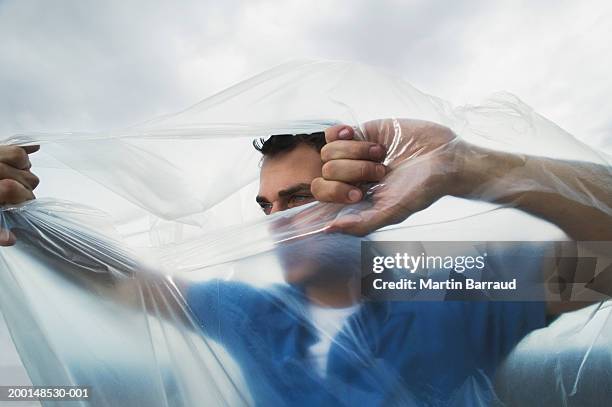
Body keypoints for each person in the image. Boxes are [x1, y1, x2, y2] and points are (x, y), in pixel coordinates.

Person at [1, 119, 611, 405]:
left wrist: (469, 167)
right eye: (266, 207)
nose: (277, 225)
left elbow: (604, 263)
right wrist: (20, 215)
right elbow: (120, 282)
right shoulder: (250, 314)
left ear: (371, 196)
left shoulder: (448, 285)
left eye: (298, 201)